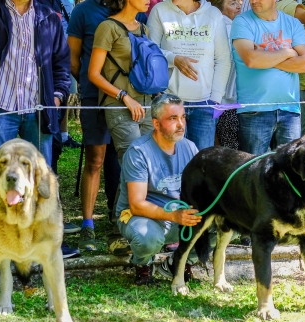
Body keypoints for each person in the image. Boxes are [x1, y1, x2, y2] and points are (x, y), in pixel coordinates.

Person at [0, 0, 80, 258]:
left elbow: (61, 63)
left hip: (38, 109)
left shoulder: (49, 17)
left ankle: (45, 240)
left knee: (42, 180)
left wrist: (55, 96)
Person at [116, 94, 212, 285]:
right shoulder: (138, 152)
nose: (181, 124)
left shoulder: (190, 147)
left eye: (183, 117)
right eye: (173, 118)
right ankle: (143, 264)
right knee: (147, 238)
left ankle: (178, 263)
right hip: (143, 218)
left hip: (179, 216)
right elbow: (136, 205)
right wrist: (175, 216)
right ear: (156, 124)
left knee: (222, 225)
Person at [67, 0, 123, 251]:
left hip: (126, 97)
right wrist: (89, 86)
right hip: (94, 95)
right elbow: (74, 59)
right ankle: (87, 224)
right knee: (95, 160)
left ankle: (119, 219)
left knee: (122, 160)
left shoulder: (133, 10)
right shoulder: (83, 10)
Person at [147, 0, 231, 150]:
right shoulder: (160, 10)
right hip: (169, 101)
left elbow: (223, 59)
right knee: (172, 162)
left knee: (201, 165)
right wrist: (174, 59)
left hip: (205, 104)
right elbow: (149, 52)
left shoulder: (213, 14)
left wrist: (215, 100)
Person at [231, 0, 305, 155]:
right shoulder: (242, 21)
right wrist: (287, 53)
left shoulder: (292, 23)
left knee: (289, 170)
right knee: (253, 170)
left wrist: (265, 56)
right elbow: (252, 60)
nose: (253, 1)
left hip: (290, 110)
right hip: (254, 109)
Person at [88, 0, 155, 165]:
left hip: (146, 106)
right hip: (119, 106)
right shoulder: (107, 27)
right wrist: (124, 97)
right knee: (133, 165)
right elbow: (94, 74)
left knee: (148, 166)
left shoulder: (144, 29)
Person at [210, 0, 241, 150]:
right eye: (232, 3)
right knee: (229, 149)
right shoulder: (228, 28)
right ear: (219, 8)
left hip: (216, 99)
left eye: (239, 2)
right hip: (227, 102)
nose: (239, 6)